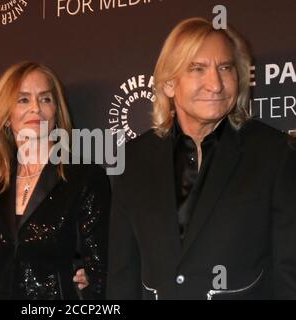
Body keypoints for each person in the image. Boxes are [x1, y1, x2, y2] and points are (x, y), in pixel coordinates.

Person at [107, 18, 296, 299]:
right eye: (198, 68)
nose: (216, 84)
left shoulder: (274, 153)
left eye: (225, 68)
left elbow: (289, 271)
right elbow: (123, 275)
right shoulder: (133, 160)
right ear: (169, 84)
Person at [0, 61, 110, 299]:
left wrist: (89, 279)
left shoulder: (84, 177)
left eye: (45, 99)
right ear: (6, 116)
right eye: (23, 99)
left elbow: (101, 269)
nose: (36, 109)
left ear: (57, 113)